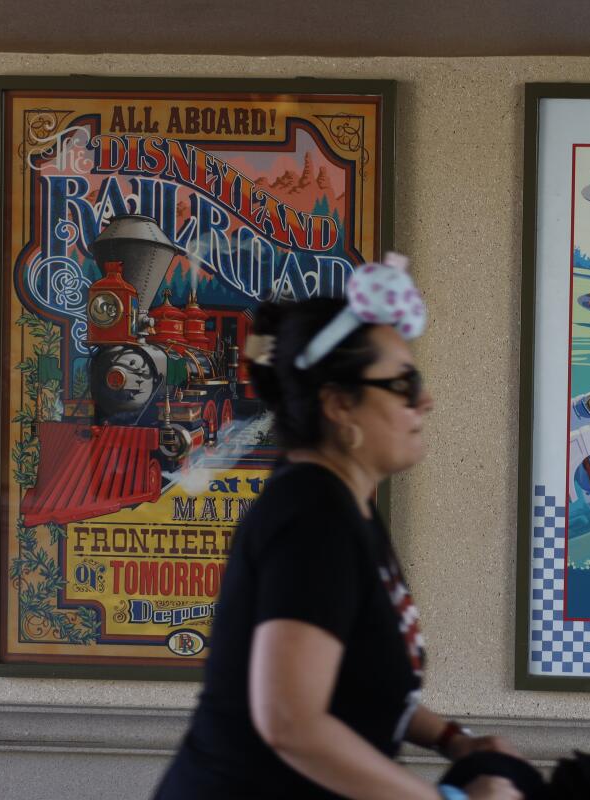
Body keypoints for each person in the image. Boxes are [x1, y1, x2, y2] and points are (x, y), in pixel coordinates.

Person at [153, 256, 520, 800]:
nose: (424, 399)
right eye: (402, 382)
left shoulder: (345, 506)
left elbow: (355, 682)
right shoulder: (312, 517)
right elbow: (291, 722)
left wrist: (452, 739)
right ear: (340, 405)